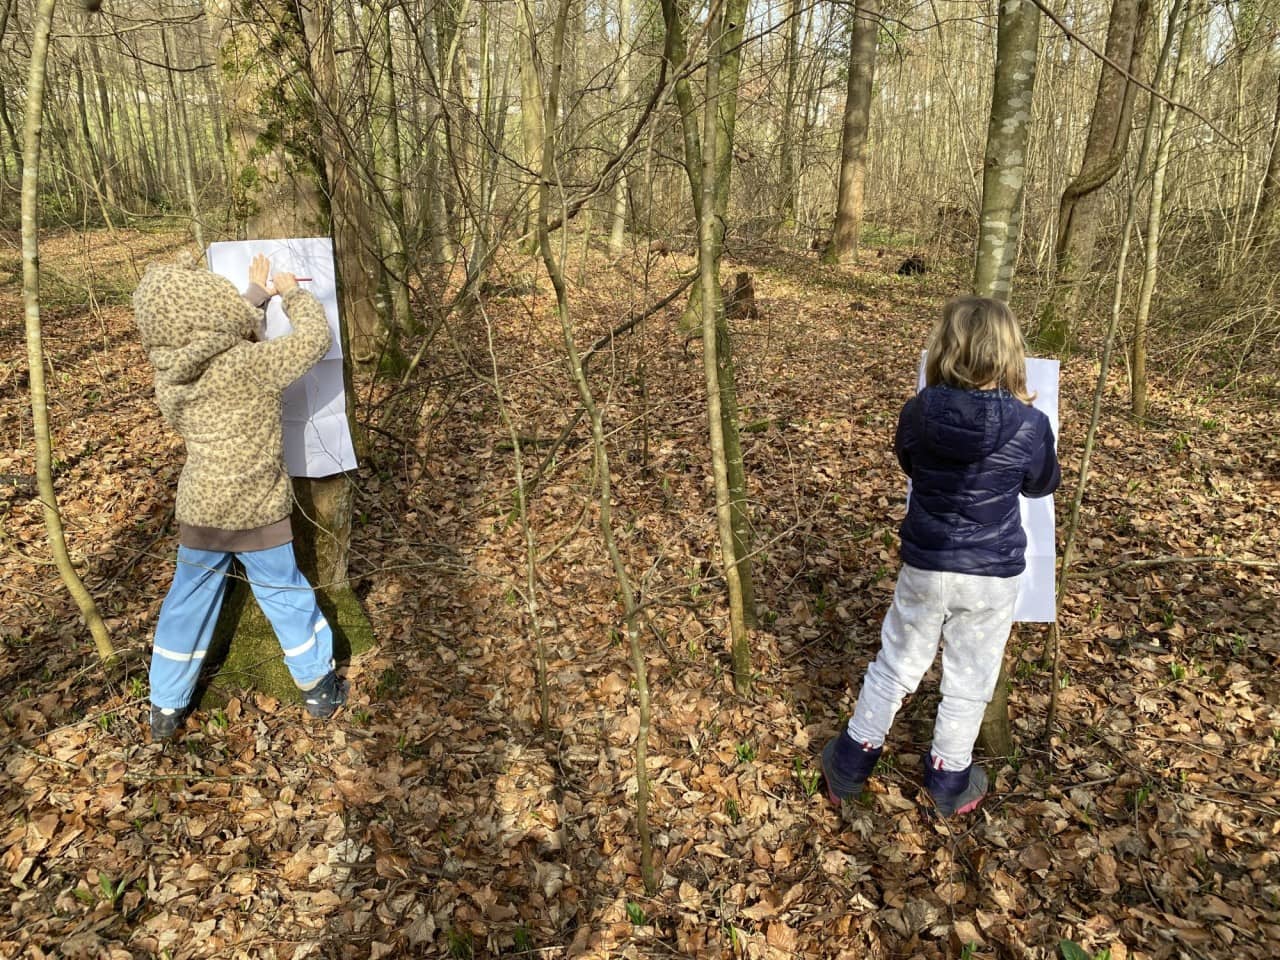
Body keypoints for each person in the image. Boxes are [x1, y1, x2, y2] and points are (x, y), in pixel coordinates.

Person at [822, 296, 1061, 816]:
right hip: (990, 572)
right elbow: (1041, 485)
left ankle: (849, 763)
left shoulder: (919, 411)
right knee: (970, 678)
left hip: (927, 564)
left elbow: (909, 461)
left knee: (896, 664)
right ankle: (948, 780)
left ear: (946, 347)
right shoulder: (1030, 422)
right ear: (1009, 352)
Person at [133, 253, 347, 741]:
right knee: (285, 595)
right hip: (257, 510)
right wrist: (291, 292)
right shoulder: (250, 365)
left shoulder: (169, 379)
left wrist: (255, 295)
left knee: (186, 602)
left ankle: (165, 707)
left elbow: (208, 337)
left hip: (202, 511)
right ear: (213, 309)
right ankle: (318, 689)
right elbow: (314, 340)